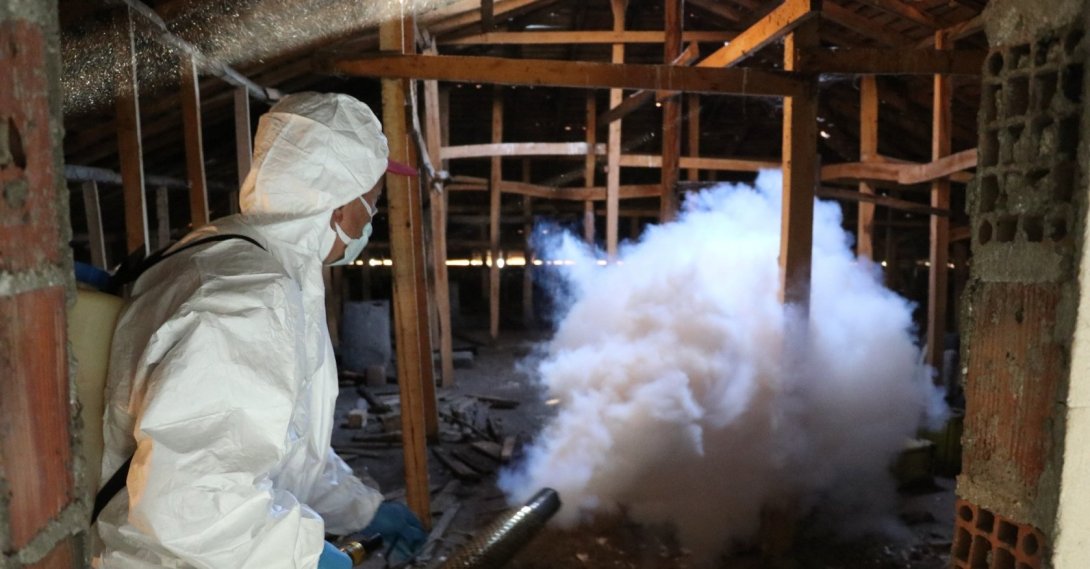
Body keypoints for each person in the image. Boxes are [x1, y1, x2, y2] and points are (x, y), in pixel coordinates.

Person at [93, 92, 425, 569]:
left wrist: (365, 510)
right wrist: (302, 556)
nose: (371, 219)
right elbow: (188, 501)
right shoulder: (251, 298)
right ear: (335, 203)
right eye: (370, 204)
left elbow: (282, 449)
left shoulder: (232, 253)